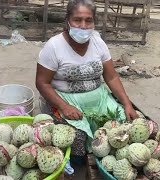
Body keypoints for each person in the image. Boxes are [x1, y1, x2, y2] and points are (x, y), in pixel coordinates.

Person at [36, 0, 138, 156]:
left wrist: (127, 103)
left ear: (94, 22)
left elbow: (111, 77)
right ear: (68, 21)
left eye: (88, 20)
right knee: (78, 139)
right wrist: (64, 107)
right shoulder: (54, 46)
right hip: (66, 100)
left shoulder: (98, 42)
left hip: (100, 99)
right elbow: (42, 83)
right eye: (77, 20)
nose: (83, 25)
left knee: (128, 125)